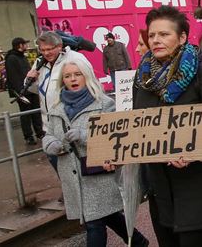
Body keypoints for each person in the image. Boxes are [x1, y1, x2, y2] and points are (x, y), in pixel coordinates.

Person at [132, 5, 202, 246]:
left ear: (181, 38)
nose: (156, 40)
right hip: (161, 189)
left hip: (197, 185)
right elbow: (137, 124)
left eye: (164, 34)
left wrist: (192, 150)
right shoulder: (142, 79)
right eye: (152, 35)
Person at [42, 59, 148, 247]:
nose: (73, 79)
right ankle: (138, 241)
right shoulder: (56, 109)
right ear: (62, 80)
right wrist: (51, 144)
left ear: (86, 76)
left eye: (77, 74)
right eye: (67, 76)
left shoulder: (104, 104)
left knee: (94, 223)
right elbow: (48, 134)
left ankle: (138, 241)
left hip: (98, 174)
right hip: (73, 176)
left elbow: (116, 135)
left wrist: (84, 135)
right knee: (106, 215)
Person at [5, 37, 44, 145]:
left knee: (36, 112)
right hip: (22, 92)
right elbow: (13, 77)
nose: (26, 46)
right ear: (19, 45)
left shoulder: (22, 57)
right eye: (24, 44)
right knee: (25, 115)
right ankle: (28, 136)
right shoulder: (11, 58)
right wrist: (20, 93)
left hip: (31, 90)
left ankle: (39, 132)